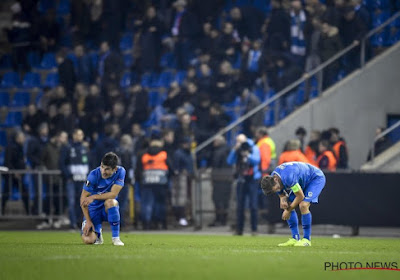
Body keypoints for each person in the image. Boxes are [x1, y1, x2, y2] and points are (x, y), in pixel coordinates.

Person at [260, 162, 326, 246]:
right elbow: (281, 195)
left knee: (303, 205)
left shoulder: (288, 177)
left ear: (275, 179)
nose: (277, 190)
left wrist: (288, 210)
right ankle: (295, 238)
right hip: (302, 181)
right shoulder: (274, 177)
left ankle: (306, 240)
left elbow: (300, 196)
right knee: (288, 204)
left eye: (277, 188)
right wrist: (282, 200)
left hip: (314, 178)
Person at [80, 152, 125, 246]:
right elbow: (83, 199)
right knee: (88, 240)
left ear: (115, 169)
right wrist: (88, 221)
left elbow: (113, 194)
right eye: (102, 167)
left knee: (112, 202)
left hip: (106, 208)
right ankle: (97, 232)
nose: (103, 171)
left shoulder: (121, 172)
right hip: (93, 209)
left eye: (107, 169)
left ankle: (116, 238)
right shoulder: (93, 175)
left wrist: (94, 196)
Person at [227, 134, 261, 235]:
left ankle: (254, 229)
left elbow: (256, 161)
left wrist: (248, 155)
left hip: (252, 179)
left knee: (253, 205)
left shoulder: (253, 147)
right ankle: (239, 229)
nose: (239, 143)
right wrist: (234, 150)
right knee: (240, 205)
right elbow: (229, 161)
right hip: (241, 179)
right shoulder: (237, 149)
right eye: (237, 141)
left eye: (240, 141)